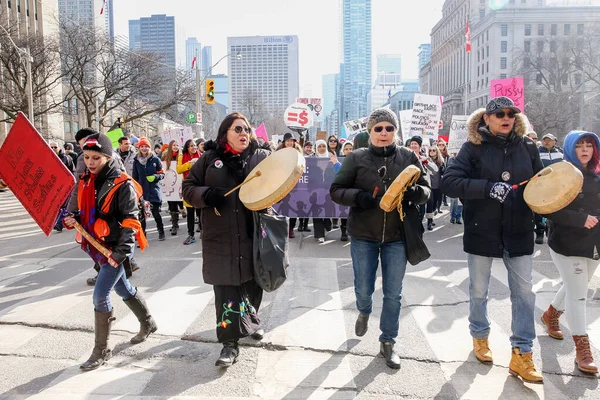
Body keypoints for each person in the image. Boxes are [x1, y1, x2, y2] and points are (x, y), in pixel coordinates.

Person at [441, 96, 544, 383]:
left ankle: (522, 354)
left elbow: (541, 184)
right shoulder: (472, 147)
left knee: (524, 294)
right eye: (499, 113)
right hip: (481, 230)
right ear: (486, 118)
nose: (505, 117)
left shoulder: (528, 147)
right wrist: (487, 188)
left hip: (519, 230)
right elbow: (449, 182)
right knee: (478, 291)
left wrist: (545, 216)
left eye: (510, 113)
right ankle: (480, 336)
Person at [330, 108, 431, 369]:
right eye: (378, 129)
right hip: (364, 234)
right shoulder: (356, 157)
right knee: (363, 288)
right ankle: (363, 310)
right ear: (370, 131)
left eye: (389, 128)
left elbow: (427, 189)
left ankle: (388, 341)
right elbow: (336, 190)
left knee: (393, 293)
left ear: (396, 131)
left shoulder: (409, 156)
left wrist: (413, 193)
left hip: (397, 236)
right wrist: (358, 198)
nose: (384, 133)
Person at [182, 112, 271, 367]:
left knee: (254, 285)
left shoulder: (261, 157)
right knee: (227, 292)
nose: (244, 133)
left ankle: (251, 320)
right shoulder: (209, 159)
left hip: (254, 235)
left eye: (247, 129)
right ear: (225, 134)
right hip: (220, 237)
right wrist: (207, 195)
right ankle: (229, 345)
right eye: (238, 129)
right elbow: (187, 188)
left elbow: (280, 184)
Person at [62, 133, 156, 371]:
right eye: (86, 157)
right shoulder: (85, 180)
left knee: (99, 295)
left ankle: (101, 350)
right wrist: (72, 218)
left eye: (96, 158)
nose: (90, 162)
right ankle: (148, 322)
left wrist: (120, 254)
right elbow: (80, 211)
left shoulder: (122, 183)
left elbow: (131, 221)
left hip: (114, 248)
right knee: (123, 288)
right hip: (97, 245)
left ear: (107, 156)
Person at [540, 130, 600, 375]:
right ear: (569, 148)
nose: (585, 150)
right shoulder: (560, 172)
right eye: (579, 145)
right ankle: (582, 349)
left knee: (577, 284)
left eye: (589, 145)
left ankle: (550, 315)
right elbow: (544, 206)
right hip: (567, 242)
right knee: (578, 295)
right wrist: (579, 219)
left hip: (594, 243)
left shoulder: (598, 174)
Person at [133, 137, 165, 241]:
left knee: (155, 213)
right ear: (139, 148)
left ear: (149, 148)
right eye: (142, 146)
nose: (144, 148)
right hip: (142, 192)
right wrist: (135, 190)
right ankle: (143, 236)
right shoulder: (136, 161)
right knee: (142, 216)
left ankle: (161, 231)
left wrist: (155, 177)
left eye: (146, 146)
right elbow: (135, 177)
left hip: (153, 190)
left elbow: (162, 173)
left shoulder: (155, 159)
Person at [534, 133, 565, 244]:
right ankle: (540, 232)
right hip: (541, 186)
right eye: (545, 140)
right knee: (540, 210)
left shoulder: (561, 154)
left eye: (549, 140)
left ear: (554, 142)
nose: (546, 142)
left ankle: (551, 230)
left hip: (556, 186)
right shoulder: (536, 152)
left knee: (555, 209)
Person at [277, 132, 303, 238]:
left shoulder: (298, 153)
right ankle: (282, 228)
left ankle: (291, 228)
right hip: (281, 183)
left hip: (294, 183)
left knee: (293, 205)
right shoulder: (278, 153)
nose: (289, 142)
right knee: (283, 207)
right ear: (284, 142)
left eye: (291, 141)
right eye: (288, 141)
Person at [177, 139, 202, 245]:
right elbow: (179, 170)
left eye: (195, 145)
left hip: (199, 186)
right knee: (190, 212)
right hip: (188, 187)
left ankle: (202, 231)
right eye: (191, 146)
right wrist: (189, 164)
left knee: (200, 211)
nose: (194, 147)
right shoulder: (182, 158)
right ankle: (191, 234)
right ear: (187, 148)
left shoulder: (201, 156)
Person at [162, 140, 184, 236]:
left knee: (180, 200)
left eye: (177, 145)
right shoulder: (165, 157)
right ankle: (174, 225)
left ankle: (182, 210)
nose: (175, 147)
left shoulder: (181, 156)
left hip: (180, 183)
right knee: (172, 204)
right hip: (170, 183)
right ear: (170, 146)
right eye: (174, 145)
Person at [313, 139, 333, 243]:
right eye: (319, 146)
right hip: (316, 189)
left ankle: (327, 222)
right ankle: (319, 234)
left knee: (326, 210)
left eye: (323, 146)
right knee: (316, 211)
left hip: (328, 190)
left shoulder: (331, 159)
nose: (321, 148)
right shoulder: (312, 160)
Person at [425, 145, 444, 231]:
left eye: (434, 150)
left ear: (437, 151)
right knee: (430, 203)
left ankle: (431, 218)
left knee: (435, 204)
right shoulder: (426, 160)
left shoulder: (441, 161)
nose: (432, 151)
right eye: (430, 150)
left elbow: (444, 172)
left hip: (438, 185)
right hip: (429, 185)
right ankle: (429, 221)